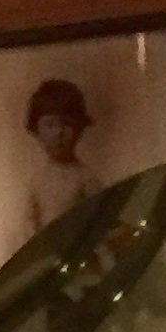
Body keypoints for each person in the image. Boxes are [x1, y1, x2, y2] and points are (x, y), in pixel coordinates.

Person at [21, 78, 102, 237]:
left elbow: (97, 220)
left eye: (66, 124)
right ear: (36, 131)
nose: (59, 132)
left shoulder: (85, 178)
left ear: (79, 128)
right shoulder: (37, 180)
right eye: (50, 125)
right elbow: (29, 224)